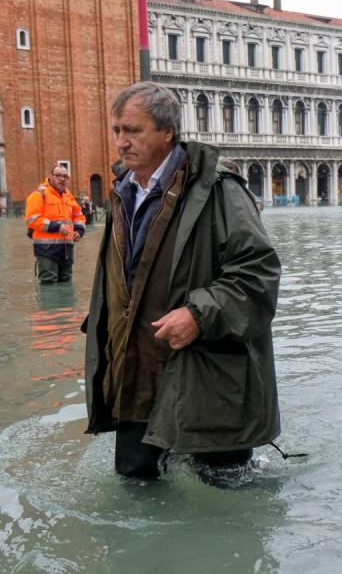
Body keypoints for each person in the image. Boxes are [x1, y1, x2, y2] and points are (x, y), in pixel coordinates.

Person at [82, 81, 282, 480]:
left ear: (167, 131)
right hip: (134, 372)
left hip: (206, 376)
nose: (121, 142)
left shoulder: (220, 190)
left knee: (223, 496)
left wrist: (198, 314)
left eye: (133, 131)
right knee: (136, 486)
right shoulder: (122, 192)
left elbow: (258, 273)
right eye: (117, 131)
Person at [25, 165, 86, 283]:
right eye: (58, 175)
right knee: (49, 285)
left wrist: (79, 231)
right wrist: (57, 227)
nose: (62, 179)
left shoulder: (69, 196)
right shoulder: (39, 195)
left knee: (66, 282)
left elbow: (78, 215)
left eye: (65, 176)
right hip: (46, 250)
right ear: (50, 177)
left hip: (66, 250)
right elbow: (32, 219)